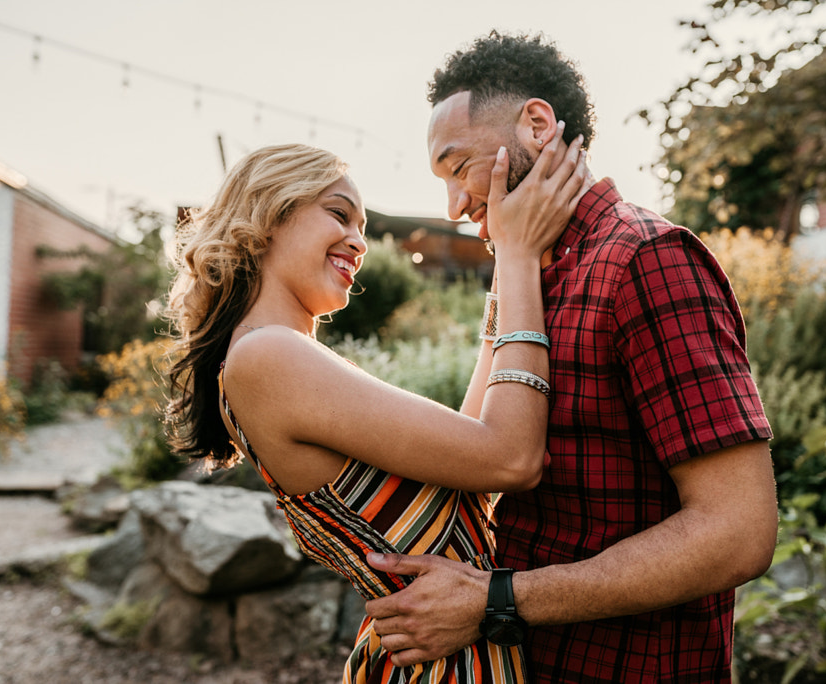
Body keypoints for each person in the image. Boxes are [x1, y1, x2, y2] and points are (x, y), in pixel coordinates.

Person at [364, 32, 779, 683]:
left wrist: (496, 601)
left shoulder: (647, 260)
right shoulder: (529, 275)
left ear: (536, 124)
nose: (454, 206)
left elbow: (739, 530)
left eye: (458, 166)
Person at [163, 139, 587, 683]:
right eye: (339, 214)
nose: (358, 241)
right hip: (442, 667)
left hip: (439, 650)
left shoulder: (270, 357)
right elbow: (511, 458)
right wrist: (521, 257)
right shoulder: (267, 355)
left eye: (362, 225)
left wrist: (505, 275)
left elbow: (474, 467)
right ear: (267, 215)